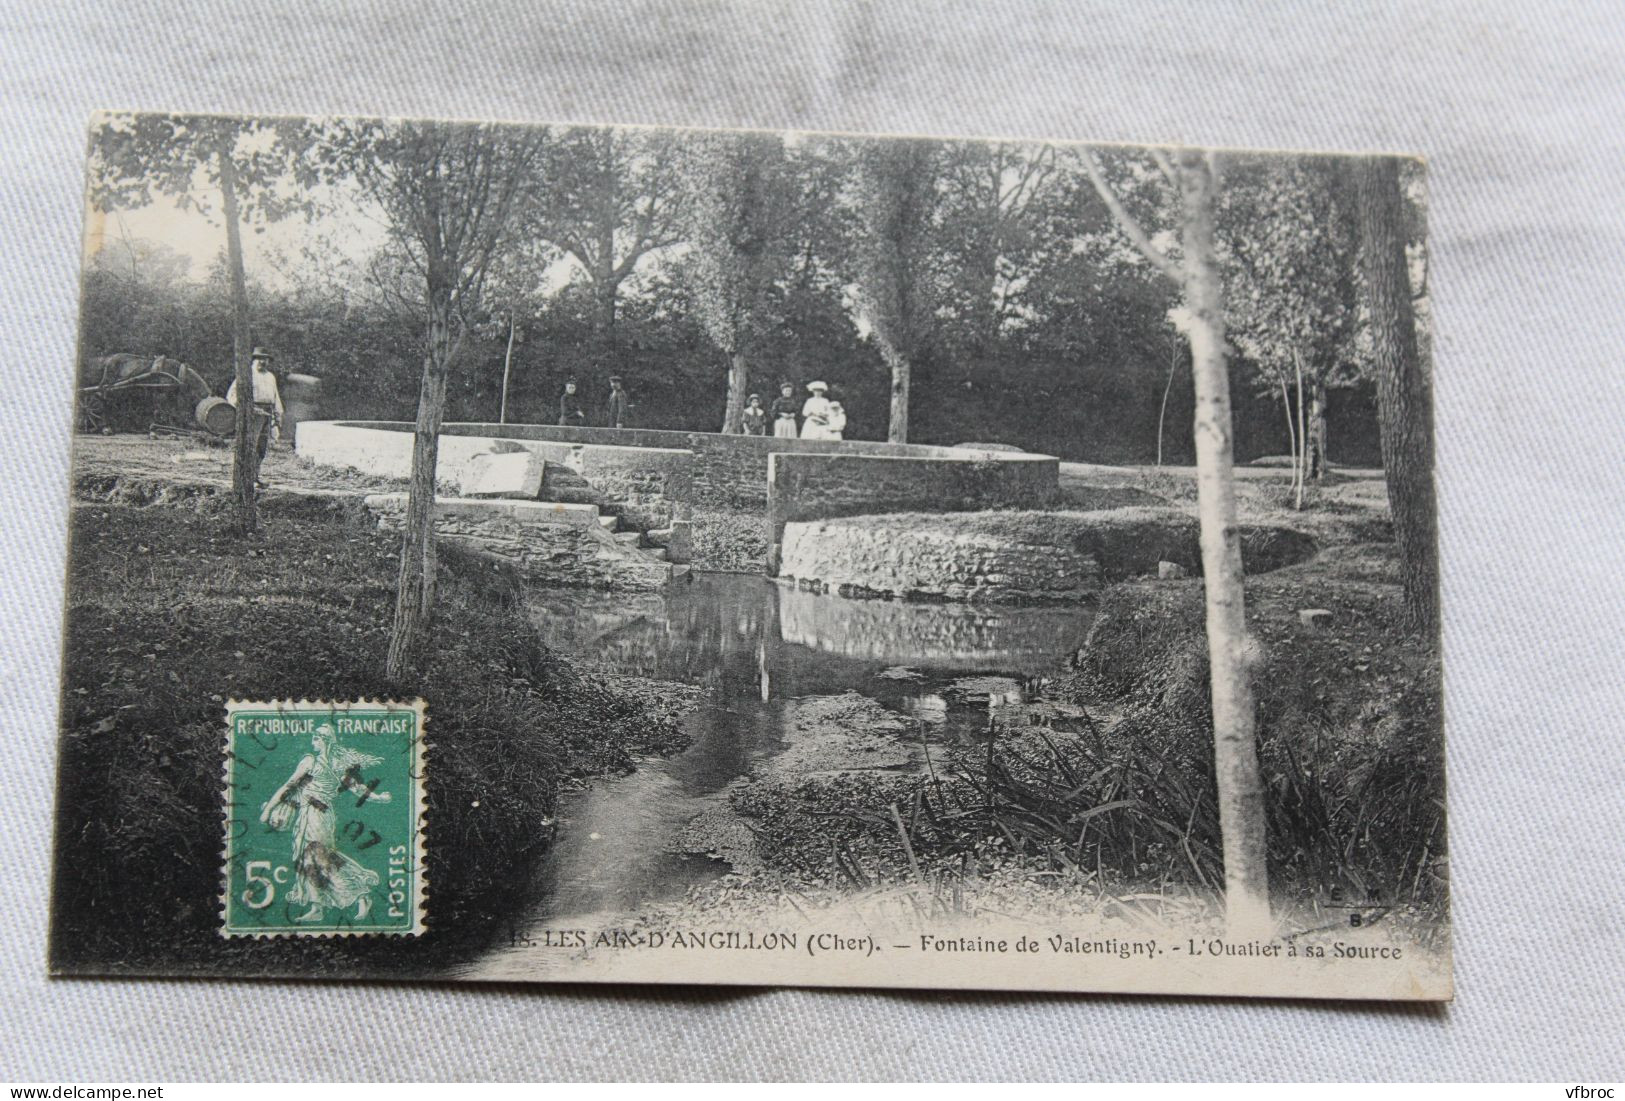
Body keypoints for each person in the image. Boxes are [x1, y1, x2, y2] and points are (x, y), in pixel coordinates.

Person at [259, 722, 392, 924]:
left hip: (316, 815)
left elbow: (356, 788)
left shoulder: (317, 764)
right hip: (312, 814)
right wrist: (380, 797)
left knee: (319, 857)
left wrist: (380, 798)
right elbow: (291, 787)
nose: (313, 740)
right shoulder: (327, 766)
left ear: (326, 741)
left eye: (317, 737)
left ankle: (358, 893)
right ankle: (319, 906)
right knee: (310, 858)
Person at [225, 347, 284, 468]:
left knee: (261, 447)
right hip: (253, 412)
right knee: (250, 445)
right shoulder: (247, 374)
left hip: (268, 412)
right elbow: (231, 394)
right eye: (260, 359)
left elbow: (275, 396)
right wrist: (245, 408)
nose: (263, 362)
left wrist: (278, 415)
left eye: (265, 359)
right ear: (253, 360)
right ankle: (246, 476)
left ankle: (255, 476)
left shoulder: (270, 376)